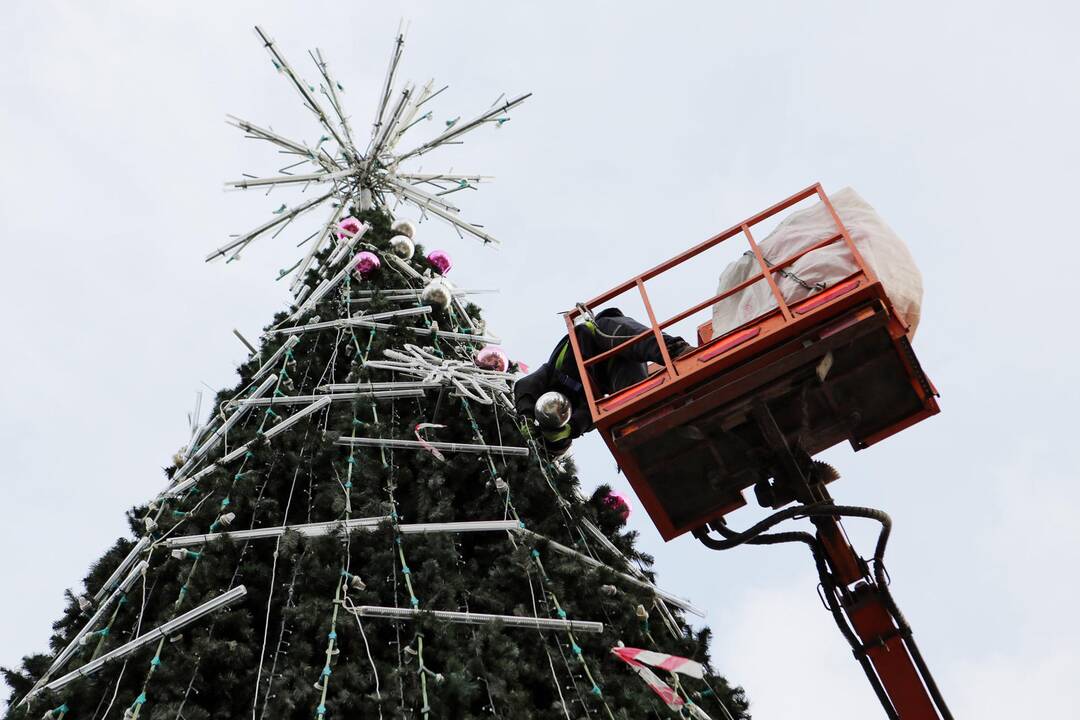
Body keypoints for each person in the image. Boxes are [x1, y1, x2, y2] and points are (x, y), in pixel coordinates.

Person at [514, 308, 692, 454]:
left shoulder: (551, 375)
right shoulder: (579, 411)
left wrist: (527, 415)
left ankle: (673, 349)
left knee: (619, 333)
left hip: (597, 337)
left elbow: (525, 385)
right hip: (614, 366)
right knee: (631, 396)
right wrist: (571, 429)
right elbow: (589, 418)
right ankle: (643, 419)